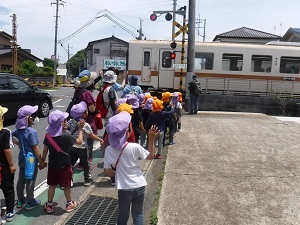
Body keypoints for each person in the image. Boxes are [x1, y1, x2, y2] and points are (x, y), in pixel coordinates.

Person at [103, 111, 159, 225]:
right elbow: (151, 156)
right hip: (139, 185)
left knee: (123, 215)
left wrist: (117, 174)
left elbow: (106, 171)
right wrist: (151, 139)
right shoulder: (134, 146)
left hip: (124, 188)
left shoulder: (109, 150)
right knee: (138, 213)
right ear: (127, 132)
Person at [41, 110, 85, 214]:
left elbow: (44, 152)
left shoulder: (48, 136)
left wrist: (42, 162)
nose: (66, 122)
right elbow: (79, 142)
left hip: (52, 165)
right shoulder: (66, 136)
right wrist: (80, 130)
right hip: (65, 165)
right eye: (65, 120)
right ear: (61, 124)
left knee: (52, 185)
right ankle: (69, 203)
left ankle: (50, 205)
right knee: (66, 185)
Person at [12, 105, 47, 211]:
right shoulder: (32, 132)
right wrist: (42, 162)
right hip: (31, 160)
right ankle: (30, 202)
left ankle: (20, 200)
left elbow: (9, 135)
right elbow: (35, 149)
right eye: (33, 115)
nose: (35, 117)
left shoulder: (18, 130)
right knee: (30, 180)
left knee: (21, 179)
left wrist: (17, 143)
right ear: (28, 118)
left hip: (22, 158)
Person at [68, 101, 104, 186]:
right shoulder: (86, 125)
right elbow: (91, 135)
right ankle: (87, 179)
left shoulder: (71, 121)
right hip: (83, 147)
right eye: (86, 110)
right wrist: (101, 140)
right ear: (84, 114)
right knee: (86, 164)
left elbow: (66, 127)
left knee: (70, 164)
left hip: (73, 146)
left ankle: (68, 179)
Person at [76, 70, 99, 169]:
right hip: (88, 120)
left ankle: (81, 162)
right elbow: (92, 109)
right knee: (89, 142)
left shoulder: (78, 90)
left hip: (78, 119)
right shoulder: (88, 93)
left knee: (81, 142)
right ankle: (86, 164)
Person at [0, 106, 16, 222]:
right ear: (2, 118)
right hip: (3, 166)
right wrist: (11, 165)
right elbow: (7, 150)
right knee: (8, 188)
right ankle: (10, 211)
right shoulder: (6, 132)